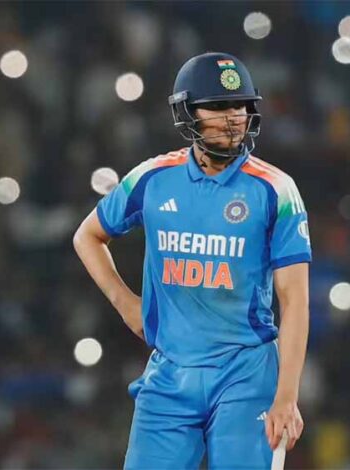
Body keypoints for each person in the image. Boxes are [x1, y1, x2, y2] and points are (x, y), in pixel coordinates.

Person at [73, 52, 311, 469]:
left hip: (247, 376)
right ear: (187, 113)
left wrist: (286, 397)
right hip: (169, 375)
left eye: (240, 106)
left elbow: (295, 300)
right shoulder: (152, 178)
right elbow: (87, 236)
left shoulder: (276, 190)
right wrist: (126, 305)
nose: (232, 118)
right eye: (217, 106)